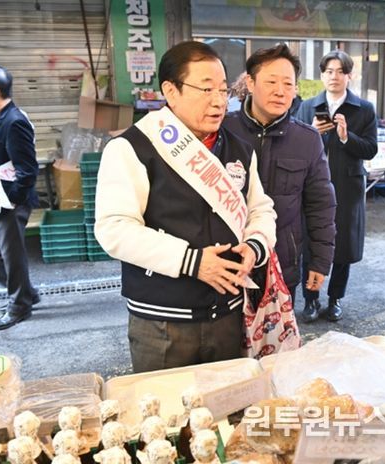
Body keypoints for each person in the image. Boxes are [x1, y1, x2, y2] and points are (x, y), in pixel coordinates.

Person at [94, 41, 277, 373]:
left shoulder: (240, 149)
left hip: (228, 315)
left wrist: (255, 246)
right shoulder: (131, 148)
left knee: (227, 401)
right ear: (170, 91)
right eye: (206, 89)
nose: (219, 101)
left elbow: (260, 210)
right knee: (165, 407)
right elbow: (114, 229)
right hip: (162, 323)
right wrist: (192, 262)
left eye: (223, 90)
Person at [222, 44, 336, 309]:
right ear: (250, 83)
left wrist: (320, 261)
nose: (280, 91)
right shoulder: (223, 129)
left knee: (277, 333)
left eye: (288, 83)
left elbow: (321, 205)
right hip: (227, 260)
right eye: (271, 81)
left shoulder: (307, 139)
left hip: (282, 262)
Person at [295, 49, 377, 322]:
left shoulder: (364, 109)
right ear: (322, 75)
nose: (334, 77)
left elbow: (371, 149)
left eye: (341, 72)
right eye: (329, 71)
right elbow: (293, 145)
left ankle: (335, 299)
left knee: (342, 245)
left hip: (347, 187)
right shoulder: (307, 106)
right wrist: (310, 132)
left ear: (349, 76)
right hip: (312, 186)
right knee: (311, 243)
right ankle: (310, 299)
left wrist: (345, 136)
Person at [0, 64, 40, 331]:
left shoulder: (14, 121)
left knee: (12, 255)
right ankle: (27, 292)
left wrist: (13, 199)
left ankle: (19, 305)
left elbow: (27, 169)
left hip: (9, 200)